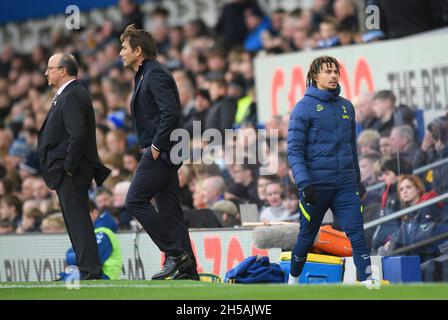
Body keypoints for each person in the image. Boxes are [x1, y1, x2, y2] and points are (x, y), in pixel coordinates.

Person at [119, 24, 198, 280]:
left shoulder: (155, 74)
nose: (120, 52)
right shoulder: (144, 74)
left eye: (124, 48)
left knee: (134, 200)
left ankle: (175, 254)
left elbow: (170, 113)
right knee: (170, 212)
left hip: (161, 151)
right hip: (163, 151)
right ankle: (188, 271)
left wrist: (155, 146)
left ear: (138, 51)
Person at [287, 55, 373, 286]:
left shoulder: (347, 106)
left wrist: (357, 179)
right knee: (306, 238)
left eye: (336, 71)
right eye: (327, 71)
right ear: (315, 76)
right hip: (315, 186)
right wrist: (304, 183)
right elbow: (294, 150)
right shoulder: (302, 108)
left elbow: (351, 147)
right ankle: (292, 281)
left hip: (345, 185)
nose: (333, 75)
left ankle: (368, 284)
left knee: (357, 233)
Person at [37, 53, 111, 280]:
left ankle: (90, 270)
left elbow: (77, 135)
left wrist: (67, 167)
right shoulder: (68, 94)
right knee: (74, 220)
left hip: (72, 171)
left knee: (78, 220)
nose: (46, 73)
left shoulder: (72, 95)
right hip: (68, 170)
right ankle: (87, 267)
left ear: (63, 70)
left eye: (50, 68)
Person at [61, 200, 123, 280]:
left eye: (82, 214)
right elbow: (70, 254)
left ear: (94, 212)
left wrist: (74, 257)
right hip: (91, 276)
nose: (79, 218)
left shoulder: (102, 232)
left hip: (103, 278)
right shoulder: (88, 232)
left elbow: (91, 260)